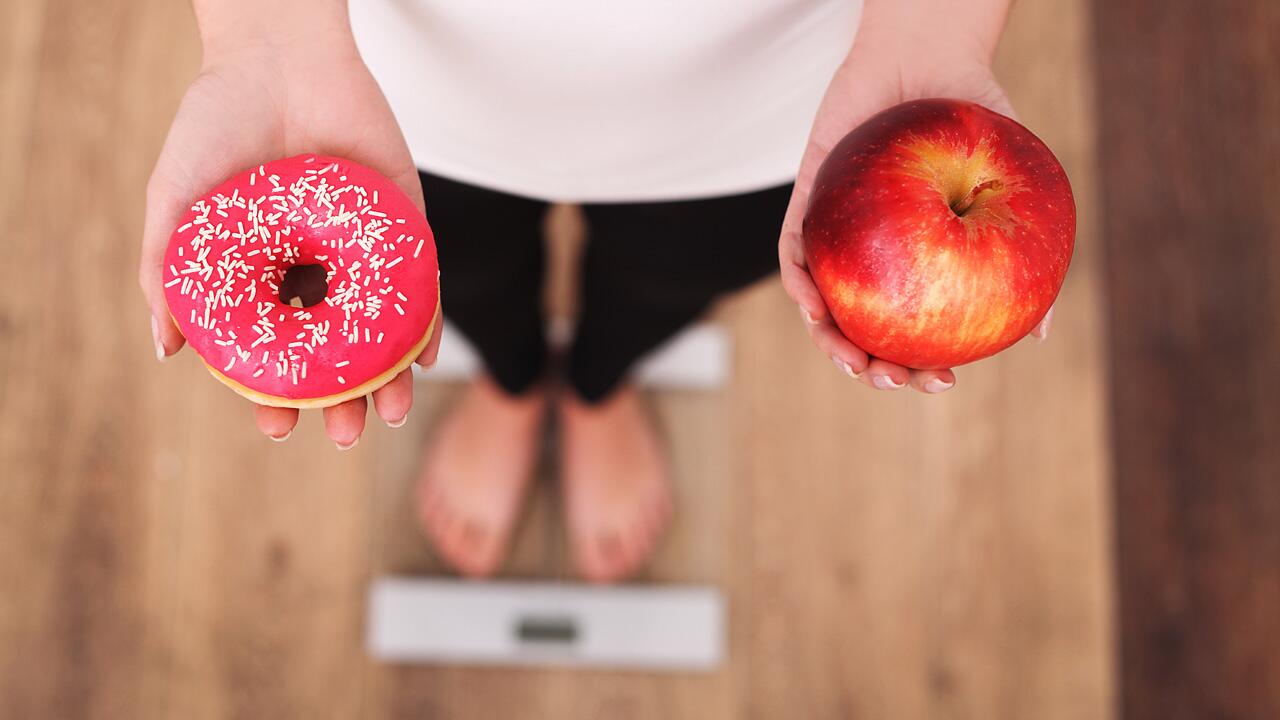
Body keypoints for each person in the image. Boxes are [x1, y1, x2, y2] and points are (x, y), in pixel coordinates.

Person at [140, 0, 1050, 582]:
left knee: (671, 274)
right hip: (375, 72)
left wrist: (932, 26)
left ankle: (597, 385)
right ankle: (510, 377)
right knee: (462, 272)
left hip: (788, 90)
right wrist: (264, 32)